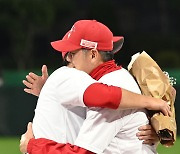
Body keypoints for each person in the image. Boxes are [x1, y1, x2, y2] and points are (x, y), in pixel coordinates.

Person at [20, 20, 170, 154]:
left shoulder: (110, 88)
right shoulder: (118, 76)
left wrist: (32, 146)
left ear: (93, 55)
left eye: (71, 54)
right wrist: (51, 93)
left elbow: (84, 152)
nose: (69, 62)